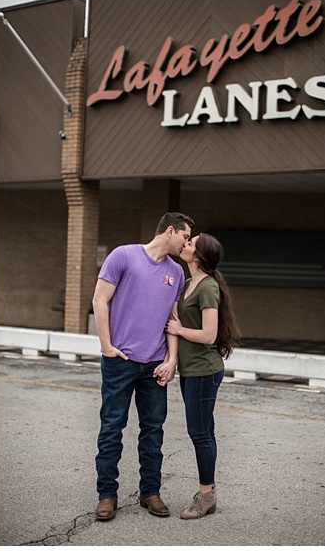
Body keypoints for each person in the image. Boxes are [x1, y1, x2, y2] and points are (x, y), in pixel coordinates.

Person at [93, 212, 194, 522]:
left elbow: (172, 321)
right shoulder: (124, 255)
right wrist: (107, 347)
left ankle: (150, 492)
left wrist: (171, 360)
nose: (186, 243)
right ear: (170, 231)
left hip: (154, 366)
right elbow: (100, 300)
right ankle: (107, 496)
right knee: (112, 429)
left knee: (153, 431)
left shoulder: (176, 272)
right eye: (185, 236)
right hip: (120, 362)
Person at [166, 232, 240, 519]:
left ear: (198, 256)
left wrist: (179, 330)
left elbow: (209, 335)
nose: (185, 243)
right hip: (192, 370)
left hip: (204, 371)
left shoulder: (207, 287)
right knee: (203, 432)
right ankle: (207, 493)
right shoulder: (188, 283)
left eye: (191, 242)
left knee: (200, 433)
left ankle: (206, 495)